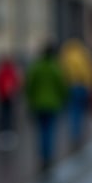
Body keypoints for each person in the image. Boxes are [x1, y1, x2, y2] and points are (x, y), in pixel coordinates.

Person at [24, 42, 68, 174]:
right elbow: (62, 86)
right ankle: (48, 156)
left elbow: (29, 85)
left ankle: (43, 156)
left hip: (38, 104)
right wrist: (63, 99)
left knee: (41, 131)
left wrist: (30, 100)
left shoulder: (36, 67)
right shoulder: (55, 68)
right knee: (50, 131)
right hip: (52, 104)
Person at [59, 38, 92, 148]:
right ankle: (82, 133)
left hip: (71, 87)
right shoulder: (83, 54)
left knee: (74, 112)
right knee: (82, 112)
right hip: (83, 86)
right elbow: (90, 70)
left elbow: (62, 73)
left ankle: (75, 134)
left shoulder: (66, 57)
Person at [0, 56, 22, 149]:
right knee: (9, 115)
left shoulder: (0, 71)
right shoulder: (12, 71)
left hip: (2, 97)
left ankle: (2, 134)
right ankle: (8, 133)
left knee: (3, 115)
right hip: (9, 97)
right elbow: (17, 83)